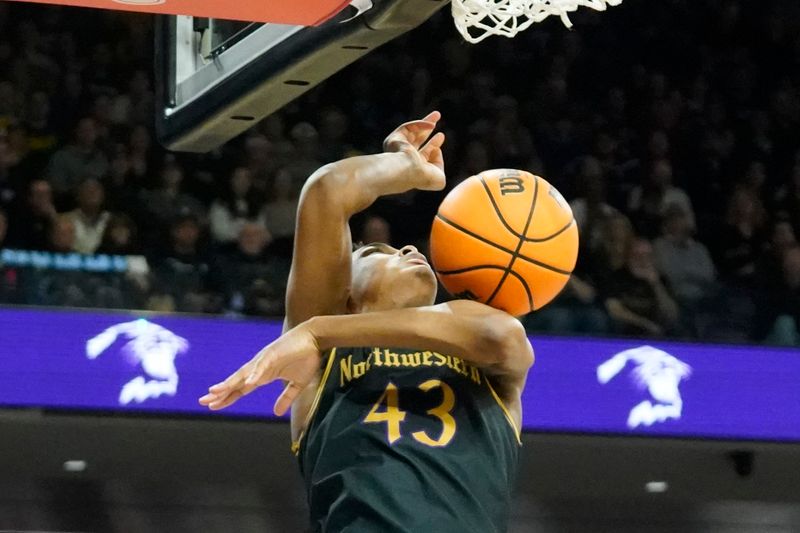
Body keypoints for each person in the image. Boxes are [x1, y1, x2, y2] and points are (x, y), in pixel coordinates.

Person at [199, 112, 533, 532]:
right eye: (376, 252)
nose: (408, 248)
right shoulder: (325, 362)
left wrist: (317, 331)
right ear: (347, 297)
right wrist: (402, 166)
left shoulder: (479, 352)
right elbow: (326, 192)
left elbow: (502, 336)